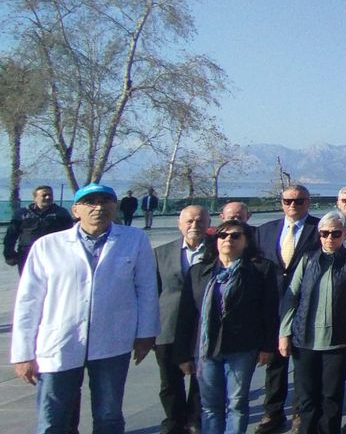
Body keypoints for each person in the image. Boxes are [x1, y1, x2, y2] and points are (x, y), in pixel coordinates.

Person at [10, 183, 160, 433]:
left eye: (106, 201)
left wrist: (146, 333)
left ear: (115, 207)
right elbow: (28, 301)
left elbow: (146, 289)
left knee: (109, 415)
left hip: (112, 340)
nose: (99, 207)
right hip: (60, 341)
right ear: (76, 210)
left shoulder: (134, 240)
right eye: (90, 202)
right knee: (53, 418)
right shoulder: (48, 246)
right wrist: (23, 353)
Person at [176, 219, 280, 434]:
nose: (228, 240)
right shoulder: (199, 272)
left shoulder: (260, 270)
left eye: (235, 236)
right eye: (222, 236)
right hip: (206, 349)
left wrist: (268, 346)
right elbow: (186, 315)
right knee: (210, 406)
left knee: (236, 404)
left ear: (246, 241)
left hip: (242, 347)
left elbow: (269, 311)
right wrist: (183, 354)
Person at [278, 211, 346, 434]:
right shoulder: (307, 259)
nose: (330, 238)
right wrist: (284, 333)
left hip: (337, 342)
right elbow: (292, 296)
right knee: (307, 397)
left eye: (335, 233)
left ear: (345, 234)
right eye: (325, 233)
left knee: (331, 397)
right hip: (305, 340)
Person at [256, 185, 321, 434]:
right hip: (273, 305)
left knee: (304, 366)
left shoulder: (320, 229)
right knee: (275, 364)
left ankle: (299, 414)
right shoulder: (265, 231)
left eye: (299, 201)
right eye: (288, 201)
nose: (293, 205)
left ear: (308, 202)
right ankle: (272, 413)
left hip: (307, 306)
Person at [154, 205, 211, 434]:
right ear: (180, 224)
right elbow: (152, 291)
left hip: (202, 327)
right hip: (168, 326)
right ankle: (174, 421)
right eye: (189, 221)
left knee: (201, 379)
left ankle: (195, 419)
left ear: (208, 224)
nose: (194, 226)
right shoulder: (161, 253)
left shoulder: (218, 251)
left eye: (199, 221)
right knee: (169, 381)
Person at [3, 184, 74, 272]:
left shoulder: (61, 213)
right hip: (27, 254)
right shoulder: (22, 213)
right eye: (44, 195)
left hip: (54, 254)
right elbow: (11, 235)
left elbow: (70, 235)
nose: (48, 197)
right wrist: (9, 255)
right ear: (35, 198)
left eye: (50, 195)